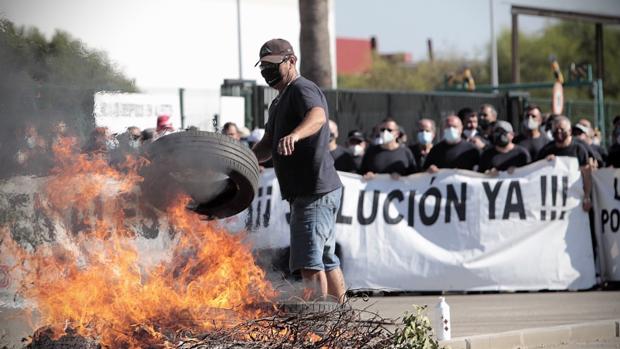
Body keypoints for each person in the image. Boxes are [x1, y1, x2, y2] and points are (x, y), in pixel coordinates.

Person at [250, 38, 345, 303]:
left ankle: (320, 326)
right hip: (312, 190)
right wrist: (243, 159)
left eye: (273, 65)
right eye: (263, 67)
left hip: (313, 190)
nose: (267, 71)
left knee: (310, 260)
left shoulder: (302, 88)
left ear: (291, 61)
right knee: (326, 256)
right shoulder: (278, 101)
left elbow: (317, 116)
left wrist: (295, 134)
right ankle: (341, 316)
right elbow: (267, 144)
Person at [537, 116, 592, 211]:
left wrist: (587, 196)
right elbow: (536, 172)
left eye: (562, 129)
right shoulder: (546, 150)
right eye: (556, 129)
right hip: (552, 201)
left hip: (573, 199)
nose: (559, 132)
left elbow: (586, 175)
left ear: (570, 131)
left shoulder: (579, 150)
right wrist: (544, 163)